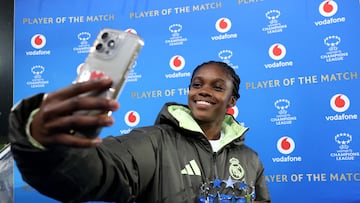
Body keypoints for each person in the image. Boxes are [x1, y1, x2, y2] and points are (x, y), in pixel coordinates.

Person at [9, 60, 271, 203]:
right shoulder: (153, 142)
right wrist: (46, 146)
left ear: (232, 101)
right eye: (196, 84)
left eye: (217, 87)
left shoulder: (250, 159)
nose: (203, 91)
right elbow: (96, 174)